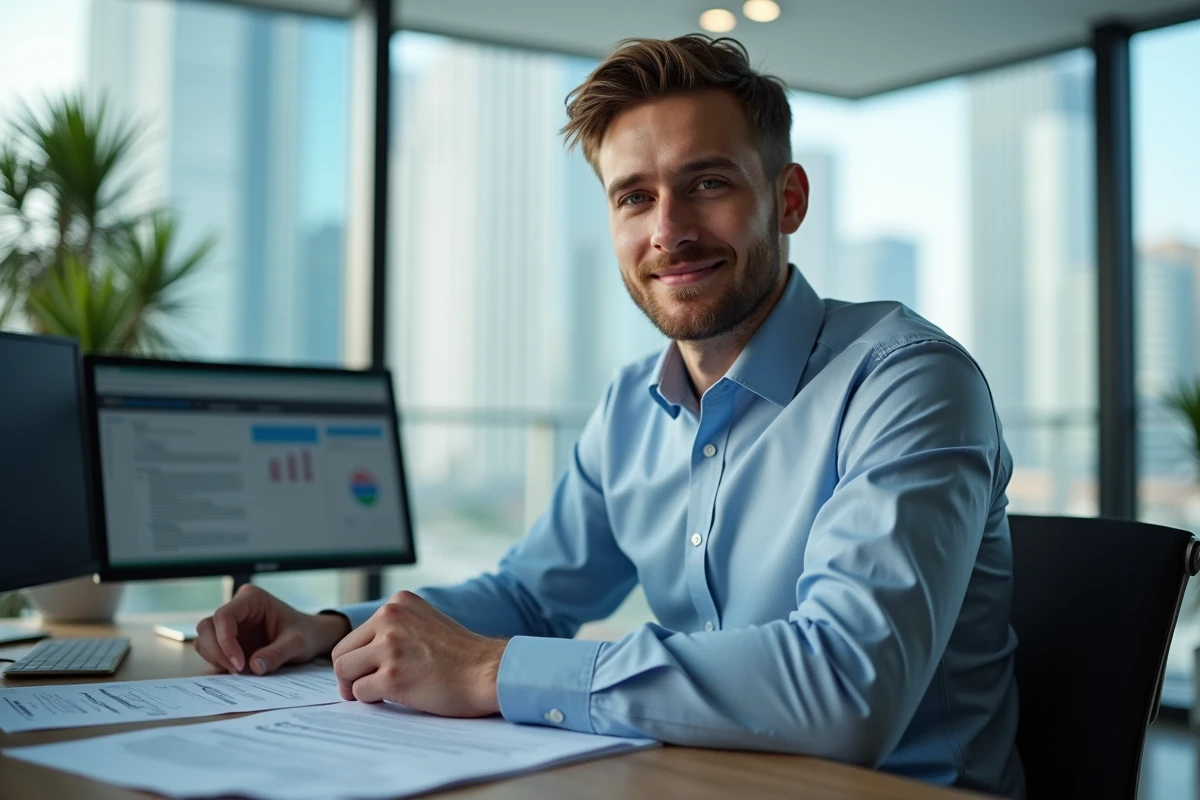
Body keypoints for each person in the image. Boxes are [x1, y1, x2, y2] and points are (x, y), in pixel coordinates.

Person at [196, 34, 1022, 797]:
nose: (669, 232)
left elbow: (847, 686)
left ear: (789, 198)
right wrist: (336, 628)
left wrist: (493, 673)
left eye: (707, 183)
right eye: (634, 197)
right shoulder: (633, 404)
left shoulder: (908, 381)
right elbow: (528, 596)